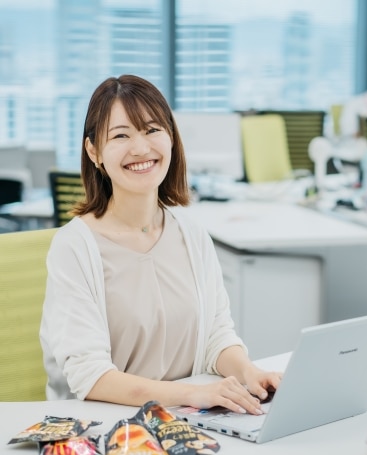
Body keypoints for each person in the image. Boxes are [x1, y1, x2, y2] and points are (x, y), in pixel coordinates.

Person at [40, 74, 282, 415]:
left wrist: (250, 373)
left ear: (171, 139)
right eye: (121, 135)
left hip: (190, 421)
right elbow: (90, 377)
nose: (140, 148)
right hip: (103, 431)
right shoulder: (74, 248)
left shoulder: (191, 233)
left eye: (152, 130)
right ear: (94, 151)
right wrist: (192, 394)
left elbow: (216, 338)